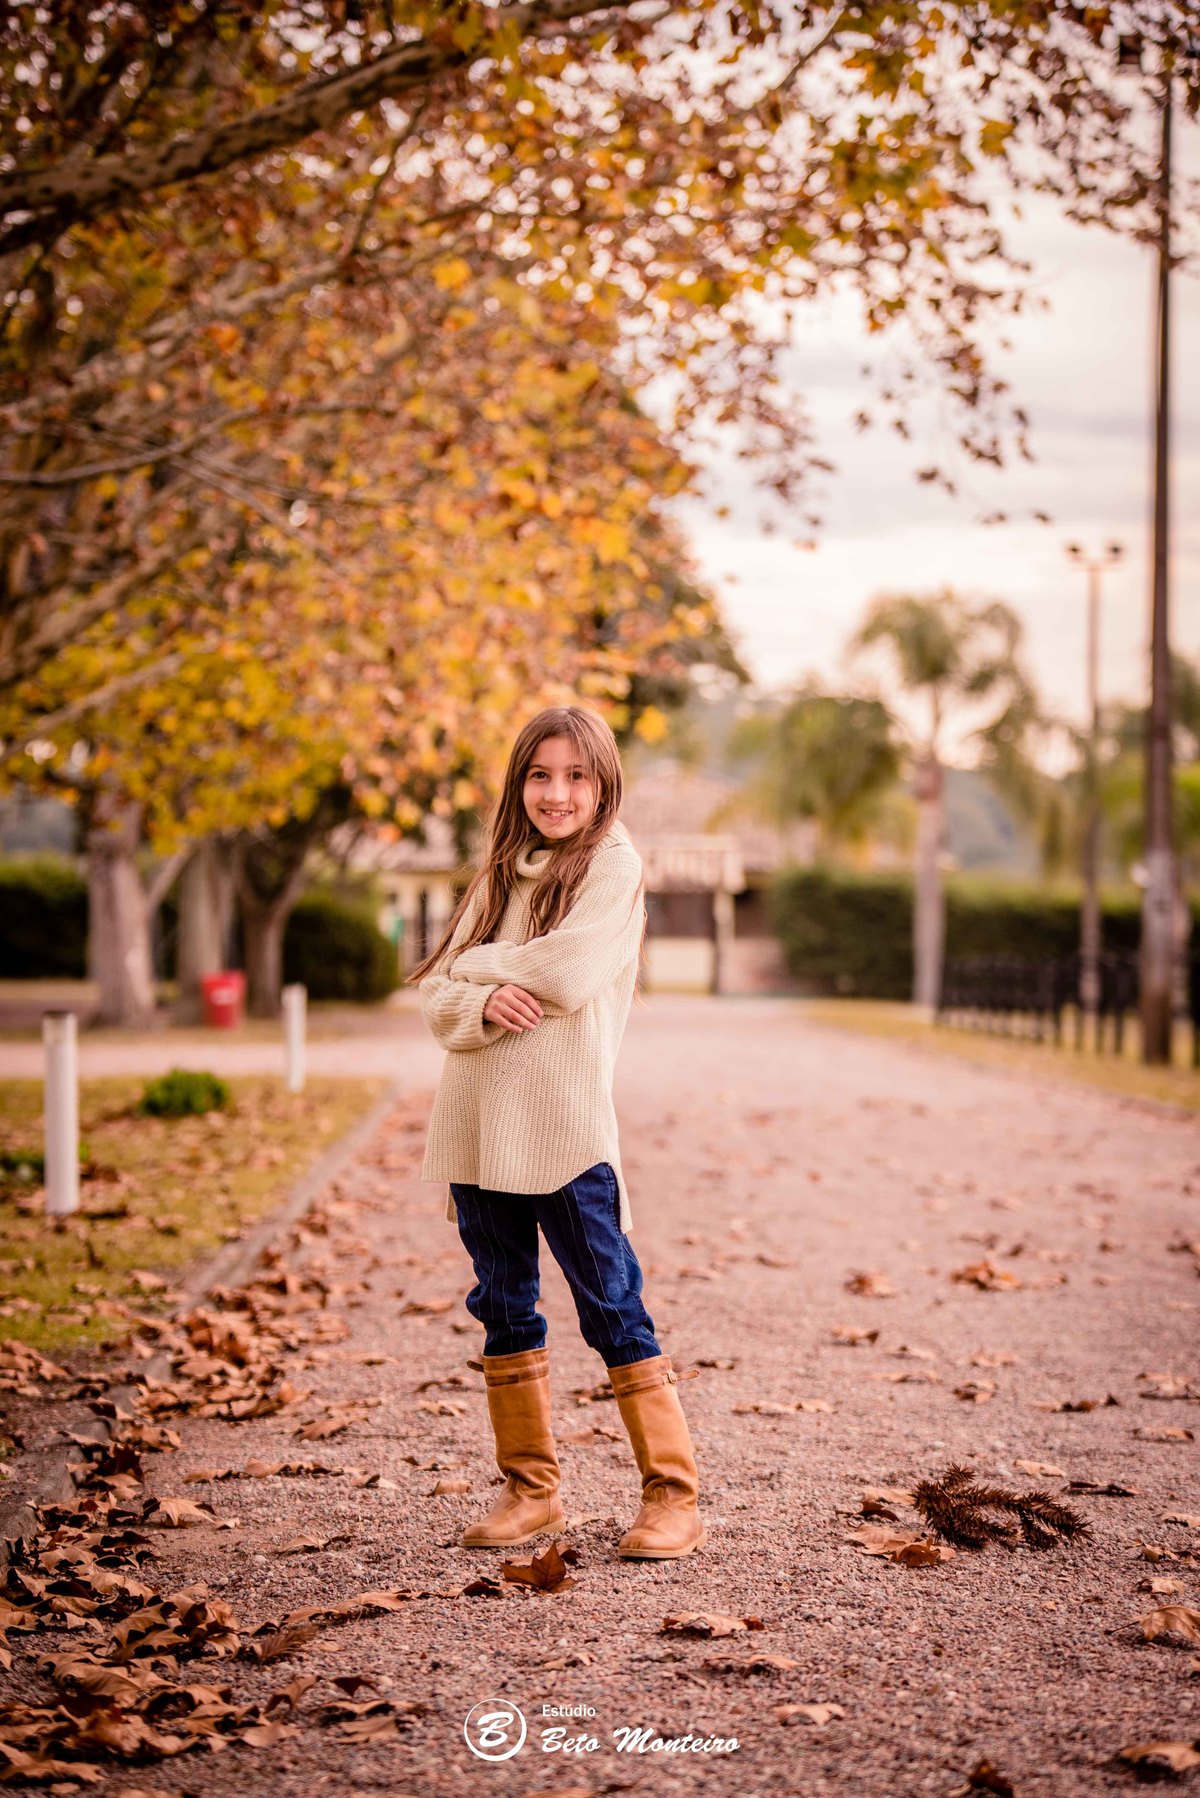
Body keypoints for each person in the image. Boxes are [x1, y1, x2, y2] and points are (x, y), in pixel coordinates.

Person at [407, 704, 705, 1561]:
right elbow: (437, 1003)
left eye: (576, 775)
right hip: (476, 1126)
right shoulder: (502, 869)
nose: (557, 792)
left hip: (564, 1133)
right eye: (541, 774)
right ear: (520, 783)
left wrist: (467, 964)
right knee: (503, 1305)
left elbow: (569, 973)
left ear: (603, 782)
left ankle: (673, 1498)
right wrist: (470, 992)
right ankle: (532, 1491)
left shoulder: (614, 866)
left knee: (612, 1306)